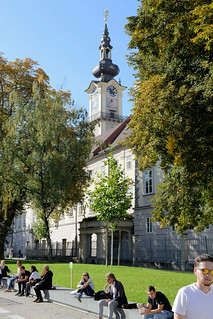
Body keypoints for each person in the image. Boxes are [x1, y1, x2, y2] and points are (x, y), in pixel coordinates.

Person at [172, 253, 213, 319]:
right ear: (195, 271)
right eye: (204, 270)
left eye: (212, 272)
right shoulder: (185, 293)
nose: (209, 275)